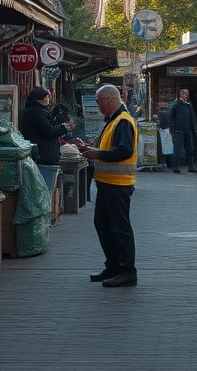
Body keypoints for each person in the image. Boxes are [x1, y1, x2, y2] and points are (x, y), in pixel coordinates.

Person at [78, 84, 139, 287]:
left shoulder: (122, 121)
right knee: (103, 224)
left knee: (119, 227)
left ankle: (127, 270)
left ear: (109, 99)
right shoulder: (113, 120)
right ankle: (113, 266)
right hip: (107, 182)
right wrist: (91, 149)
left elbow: (124, 151)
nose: (97, 106)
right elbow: (111, 148)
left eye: (98, 101)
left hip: (118, 184)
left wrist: (97, 154)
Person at [19, 86, 74, 166]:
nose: (49, 99)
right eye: (47, 97)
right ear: (40, 98)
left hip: (42, 153)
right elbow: (49, 132)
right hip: (42, 155)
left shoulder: (37, 111)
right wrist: (64, 127)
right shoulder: (36, 112)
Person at [167, 89, 197, 173]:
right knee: (177, 150)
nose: (187, 96)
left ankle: (190, 167)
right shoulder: (175, 105)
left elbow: (193, 117)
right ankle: (175, 167)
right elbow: (170, 118)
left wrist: (194, 128)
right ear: (181, 95)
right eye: (185, 94)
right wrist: (173, 129)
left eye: (188, 94)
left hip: (188, 130)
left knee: (189, 149)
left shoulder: (188, 105)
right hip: (178, 131)